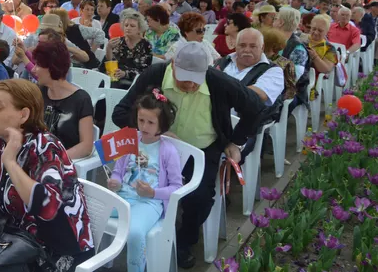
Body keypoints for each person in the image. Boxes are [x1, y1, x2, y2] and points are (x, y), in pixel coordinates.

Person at [112, 42, 264, 268]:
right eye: (184, 77)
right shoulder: (155, 74)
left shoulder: (218, 81)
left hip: (201, 150)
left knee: (200, 197)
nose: (191, 84)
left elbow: (256, 108)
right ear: (173, 65)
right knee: (135, 185)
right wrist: (155, 130)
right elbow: (120, 112)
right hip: (156, 147)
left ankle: (183, 241)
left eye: (196, 79)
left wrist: (235, 141)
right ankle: (134, 232)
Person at [0, 79, 94, 268]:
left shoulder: (45, 147)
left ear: (24, 114)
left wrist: (10, 162)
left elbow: (47, 207)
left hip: (57, 248)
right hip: (16, 238)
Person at [107, 91, 182, 272]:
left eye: (150, 122)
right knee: (93, 212)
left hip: (149, 203)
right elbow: (118, 171)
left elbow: (177, 187)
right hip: (124, 196)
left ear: (161, 124)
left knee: (134, 233)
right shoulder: (130, 141)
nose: (144, 126)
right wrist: (114, 181)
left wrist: (153, 193)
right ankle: (99, 261)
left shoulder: (168, 150)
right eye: (141, 120)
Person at [34, 40, 94, 160]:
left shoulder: (81, 99)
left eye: (38, 65)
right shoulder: (39, 92)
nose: (34, 69)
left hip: (64, 163)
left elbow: (86, 146)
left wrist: (56, 159)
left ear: (51, 67)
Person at [215, 28, 285, 106]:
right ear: (235, 46)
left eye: (253, 46)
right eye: (242, 45)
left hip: (244, 117)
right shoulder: (224, 61)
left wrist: (220, 85)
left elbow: (257, 95)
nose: (247, 50)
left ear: (262, 48)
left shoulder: (274, 71)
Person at [104, 10, 153, 90]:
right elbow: (111, 63)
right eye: (126, 25)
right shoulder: (119, 41)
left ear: (139, 29)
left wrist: (125, 74)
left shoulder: (146, 45)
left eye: (132, 26)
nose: (128, 28)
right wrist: (108, 48)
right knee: (104, 81)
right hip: (115, 77)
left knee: (113, 85)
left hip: (133, 80)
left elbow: (144, 71)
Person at [274, 6, 310, 106]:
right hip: (272, 83)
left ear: (281, 22)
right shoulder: (274, 40)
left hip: (292, 90)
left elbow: (294, 76)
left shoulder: (297, 47)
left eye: (276, 19)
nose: (273, 21)